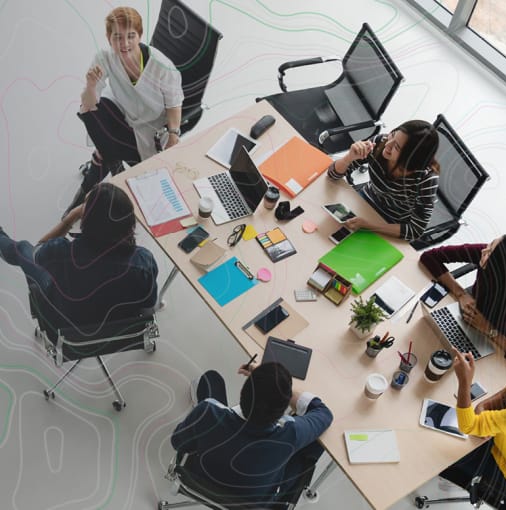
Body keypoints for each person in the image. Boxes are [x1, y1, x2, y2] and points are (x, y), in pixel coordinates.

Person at [63, 6, 184, 216]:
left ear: (140, 35)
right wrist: (91, 85)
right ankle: (110, 159)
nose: (125, 44)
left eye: (131, 36)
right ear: (109, 38)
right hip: (123, 112)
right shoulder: (105, 57)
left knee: (104, 153)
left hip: (151, 124)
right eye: (117, 37)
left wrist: (173, 134)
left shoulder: (163, 67)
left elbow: (174, 104)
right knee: (91, 112)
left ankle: (90, 184)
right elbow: (88, 105)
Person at [0, 183, 158, 340]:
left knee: (23, 249)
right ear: (128, 221)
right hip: (120, 334)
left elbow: (38, 251)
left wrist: (70, 218)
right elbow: (147, 308)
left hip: (66, 331)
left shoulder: (59, 251)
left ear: (86, 219)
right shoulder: (143, 262)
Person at [171, 362, 333, 507]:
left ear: (243, 390)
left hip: (197, 479)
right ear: (283, 409)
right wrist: (281, 390)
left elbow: (177, 442)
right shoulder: (290, 434)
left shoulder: (207, 411)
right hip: (254, 504)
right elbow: (324, 414)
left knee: (210, 379)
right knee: (316, 441)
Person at [327, 120, 440, 241]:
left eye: (396, 147)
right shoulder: (380, 142)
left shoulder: (426, 180)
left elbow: (415, 230)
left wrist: (368, 226)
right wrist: (349, 157)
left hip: (391, 223)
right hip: (365, 199)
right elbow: (332, 175)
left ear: (411, 158)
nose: (388, 145)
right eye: (393, 135)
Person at [439, 347, 506, 506]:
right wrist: (482, 410)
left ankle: (457, 480)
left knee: (438, 444)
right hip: (499, 438)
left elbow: (468, 426)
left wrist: (465, 381)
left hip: (502, 470)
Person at [420, 235, 506, 357]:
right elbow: (430, 257)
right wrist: (461, 293)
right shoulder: (487, 251)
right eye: (490, 244)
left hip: (499, 340)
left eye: (489, 253)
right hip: (470, 315)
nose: (484, 250)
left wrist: (488, 329)